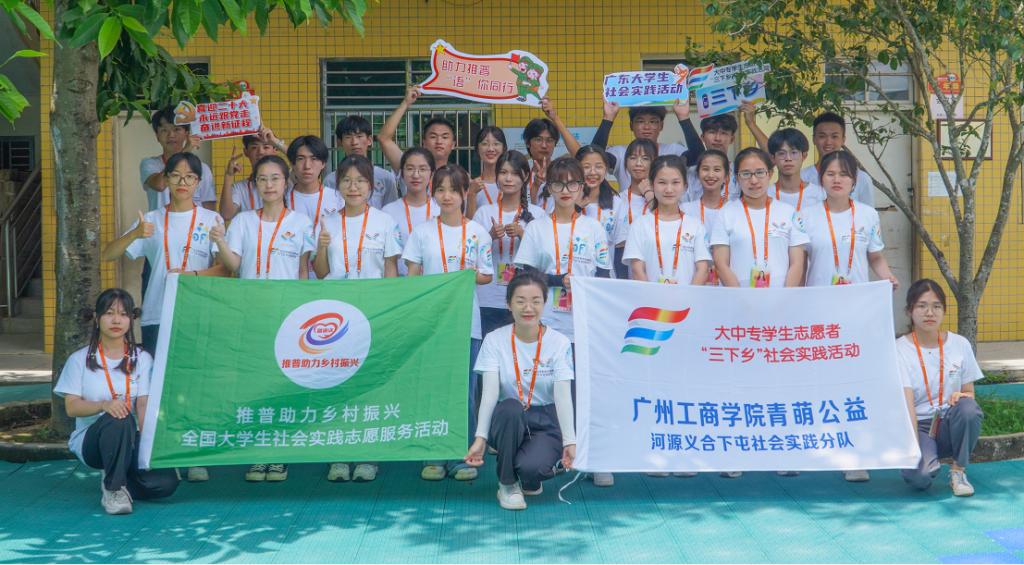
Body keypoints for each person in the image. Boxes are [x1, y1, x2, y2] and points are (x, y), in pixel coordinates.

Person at [212, 155, 315, 483]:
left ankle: (280, 452)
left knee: (282, 382)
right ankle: (257, 453)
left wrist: (301, 312)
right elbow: (233, 265)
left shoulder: (301, 223)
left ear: (286, 182)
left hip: (286, 314)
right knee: (254, 382)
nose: (269, 185)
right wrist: (219, 240)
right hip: (251, 313)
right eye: (262, 179)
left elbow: (303, 271)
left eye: (275, 178)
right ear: (254, 184)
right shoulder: (243, 221)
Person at [513, 156, 613, 487]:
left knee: (587, 389)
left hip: (585, 323)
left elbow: (603, 275)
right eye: (558, 183)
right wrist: (558, 280)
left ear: (582, 187)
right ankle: (553, 453)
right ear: (549, 188)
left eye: (572, 183)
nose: (566, 190)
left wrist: (582, 285)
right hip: (547, 323)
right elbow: (524, 274)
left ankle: (593, 456)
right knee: (548, 390)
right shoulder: (537, 228)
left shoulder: (593, 228)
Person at [802, 150, 899, 482]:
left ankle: (854, 453)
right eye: (830, 174)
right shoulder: (806, 216)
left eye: (844, 174)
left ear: (854, 181)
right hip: (817, 311)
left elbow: (876, 258)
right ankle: (819, 445)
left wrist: (887, 277)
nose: (837, 179)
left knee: (852, 378)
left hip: (856, 312)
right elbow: (799, 263)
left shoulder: (868, 215)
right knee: (819, 378)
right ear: (821, 179)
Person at [402, 164, 494, 481]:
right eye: (440, 189)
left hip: (467, 323)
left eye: (454, 190)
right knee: (433, 388)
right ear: (433, 193)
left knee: (465, 392)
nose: (447, 196)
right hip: (430, 324)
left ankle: (464, 455)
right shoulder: (422, 232)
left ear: (464, 192)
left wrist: (471, 275)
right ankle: (434, 454)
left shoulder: (477, 232)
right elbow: (412, 277)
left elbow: (487, 275)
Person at [313, 155, 402, 483]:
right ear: (337, 184)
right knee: (338, 383)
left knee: (371, 383)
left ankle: (368, 454)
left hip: (374, 312)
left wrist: (389, 311)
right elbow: (320, 272)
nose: (353, 187)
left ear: (371, 186)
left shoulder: (384, 222)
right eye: (347, 180)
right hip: (337, 315)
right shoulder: (327, 222)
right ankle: (338, 454)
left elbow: (391, 269)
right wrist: (322, 248)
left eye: (360, 181)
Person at [54, 289, 179, 515]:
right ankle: (113, 489)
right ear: (97, 318)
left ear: (131, 319)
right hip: (92, 442)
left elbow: (143, 405)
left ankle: (118, 475)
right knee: (118, 418)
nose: (116, 320)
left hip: (130, 438)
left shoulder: (142, 359)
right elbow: (72, 407)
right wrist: (104, 405)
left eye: (123, 314)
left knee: (165, 483)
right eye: (109, 313)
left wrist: (150, 448)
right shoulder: (79, 359)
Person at [465, 271, 577, 510]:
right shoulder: (494, 340)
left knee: (532, 470)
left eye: (536, 301)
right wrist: (480, 438)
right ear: (508, 304)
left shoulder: (559, 342)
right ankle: (507, 484)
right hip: (508, 418)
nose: (528, 308)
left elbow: (563, 395)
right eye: (520, 301)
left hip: (545, 419)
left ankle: (526, 473)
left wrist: (570, 441)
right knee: (510, 408)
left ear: (544, 304)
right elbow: (489, 393)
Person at [896, 279, 984, 496]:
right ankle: (926, 460)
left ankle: (958, 471)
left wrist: (961, 395)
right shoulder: (899, 349)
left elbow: (969, 392)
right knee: (920, 477)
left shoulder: (960, 344)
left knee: (968, 409)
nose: (930, 313)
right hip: (920, 425)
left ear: (944, 311)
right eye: (922, 306)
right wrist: (913, 448)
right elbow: (906, 404)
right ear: (909, 311)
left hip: (949, 421)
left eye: (936, 306)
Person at [710, 147, 809, 290]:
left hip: (780, 296)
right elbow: (721, 263)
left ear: (770, 173)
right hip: (739, 296)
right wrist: (740, 297)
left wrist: (785, 296)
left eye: (760, 172)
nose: (754, 180)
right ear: (737, 177)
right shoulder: (726, 213)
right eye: (746, 174)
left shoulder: (789, 212)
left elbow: (797, 263)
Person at [472, 150, 546, 336]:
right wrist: (489, 237)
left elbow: (545, 257)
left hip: (524, 299)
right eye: (503, 172)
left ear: (526, 176)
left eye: (514, 173)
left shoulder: (538, 214)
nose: (508, 179)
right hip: (487, 297)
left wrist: (523, 235)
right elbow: (470, 255)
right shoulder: (483, 212)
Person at [624, 155, 711, 285]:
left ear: (685, 186)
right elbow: (637, 269)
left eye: (675, 182)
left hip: (687, 297)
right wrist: (652, 295)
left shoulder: (696, 225)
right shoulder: (640, 225)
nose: (669, 189)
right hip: (649, 297)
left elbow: (702, 269)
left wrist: (688, 295)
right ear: (652, 185)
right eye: (662, 182)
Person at [592, 100, 702, 190]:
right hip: (628, 210)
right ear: (631, 125)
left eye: (653, 122)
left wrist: (683, 117)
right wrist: (608, 118)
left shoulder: (673, 151)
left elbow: (699, 157)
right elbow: (593, 157)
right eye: (640, 121)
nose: (647, 127)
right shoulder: (620, 153)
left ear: (661, 126)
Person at [139, 106, 217, 212]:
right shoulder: (150, 164)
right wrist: (185, 151)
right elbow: (160, 185)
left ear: (186, 134)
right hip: (160, 223)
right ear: (157, 136)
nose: (171, 135)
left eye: (176, 129)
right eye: (164, 130)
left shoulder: (202, 168)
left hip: (194, 223)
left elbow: (209, 209)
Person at [381, 147, 440, 275]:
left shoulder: (441, 209)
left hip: (435, 281)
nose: (416, 175)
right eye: (410, 169)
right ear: (402, 173)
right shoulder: (388, 212)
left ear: (432, 174)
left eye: (422, 169)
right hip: (400, 282)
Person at [323, 115, 401, 209]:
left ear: (369, 140)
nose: (354, 142)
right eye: (348, 137)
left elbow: (391, 210)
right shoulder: (331, 180)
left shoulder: (385, 177)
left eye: (359, 136)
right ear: (339, 142)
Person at [801, 112, 875, 206]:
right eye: (822, 136)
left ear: (843, 140)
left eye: (834, 136)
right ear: (814, 139)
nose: (828, 142)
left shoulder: (861, 178)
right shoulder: (802, 177)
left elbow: (868, 213)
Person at [378, 86, 456, 172]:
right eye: (433, 137)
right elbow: (384, 138)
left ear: (453, 144)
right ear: (424, 142)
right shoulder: (409, 167)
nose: (439, 141)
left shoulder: (460, 176)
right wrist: (406, 103)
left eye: (444, 137)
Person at [682, 150, 730, 286]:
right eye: (705, 169)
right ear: (698, 174)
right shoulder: (685, 210)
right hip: (694, 281)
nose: (710, 175)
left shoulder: (734, 210)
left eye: (717, 170)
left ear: (726, 176)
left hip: (727, 283)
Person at [610, 139, 658, 276]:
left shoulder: (665, 198)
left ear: (654, 163)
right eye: (633, 158)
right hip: (624, 273)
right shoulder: (617, 200)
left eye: (645, 158)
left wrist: (649, 195)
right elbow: (617, 244)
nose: (638, 163)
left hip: (656, 270)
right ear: (625, 162)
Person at [220, 128, 284, 221]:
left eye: (266, 147)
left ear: (275, 150)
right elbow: (226, 215)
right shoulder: (240, 188)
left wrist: (276, 142)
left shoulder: (285, 182)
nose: (261, 152)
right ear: (246, 152)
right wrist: (228, 176)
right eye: (254, 147)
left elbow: (297, 159)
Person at [285, 135, 343, 232]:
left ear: (323, 164)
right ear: (292, 163)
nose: (307, 166)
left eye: (314, 158)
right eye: (301, 158)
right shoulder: (282, 199)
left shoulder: (338, 198)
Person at [575, 145, 618, 274]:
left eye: (599, 166)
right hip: (572, 276)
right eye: (586, 167)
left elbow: (620, 246)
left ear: (606, 169)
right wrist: (576, 208)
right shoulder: (565, 200)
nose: (593, 172)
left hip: (605, 276)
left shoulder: (617, 203)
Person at [684, 114, 740, 202]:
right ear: (702, 137)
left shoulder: (738, 171)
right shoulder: (691, 173)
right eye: (712, 132)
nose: (717, 138)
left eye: (723, 133)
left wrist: (751, 123)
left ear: (732, 139)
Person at [768, 128, 825, 212]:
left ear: (804, 156)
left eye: (794, 153)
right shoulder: (766, 195)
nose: (788, 158)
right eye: (781, 153)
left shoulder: (820, 195)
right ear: (773, 158)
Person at [466, 126, 507, 219]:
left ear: (504, 148)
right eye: (485, 144)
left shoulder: (511, 182)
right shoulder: (472, 185)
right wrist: (471, 194)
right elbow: (468, 223)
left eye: (496, 144)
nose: (490, 149)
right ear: (477, 149)